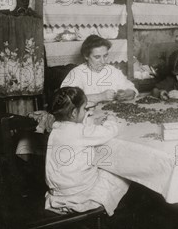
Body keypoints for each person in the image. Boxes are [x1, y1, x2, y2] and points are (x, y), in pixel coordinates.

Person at [45, 87, 129, 216]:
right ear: (73, 113)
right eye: (84, 109)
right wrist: (110, 120)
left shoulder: (55, 129)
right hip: (78, 193)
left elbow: (76, 131)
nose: (86, 112)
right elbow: (109, 132)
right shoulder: (80, 132)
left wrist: (89, 120)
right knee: (119, 175)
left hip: (58, 191)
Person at [61, 35, 138, 104]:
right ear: (86, 56)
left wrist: (127, 94)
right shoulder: (77, 73)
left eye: (105, 56)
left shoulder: (113, 71)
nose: (103, 61)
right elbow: (64, 100)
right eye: (97, 57)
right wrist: (99, 97)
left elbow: (132, 89)